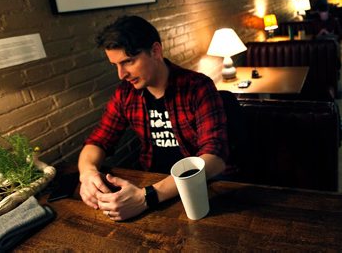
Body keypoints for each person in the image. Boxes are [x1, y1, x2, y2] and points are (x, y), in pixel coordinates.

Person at [78, 15, 229, 221]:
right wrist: (87, 173)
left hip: (200, 188)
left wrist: (146, 197)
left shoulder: (198, 87)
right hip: (152, 182)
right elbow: (98, 141)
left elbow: (214, 160)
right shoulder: (126, 94)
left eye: (128, 61)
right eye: (115, 65)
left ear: (155, 51)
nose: (121, 74)